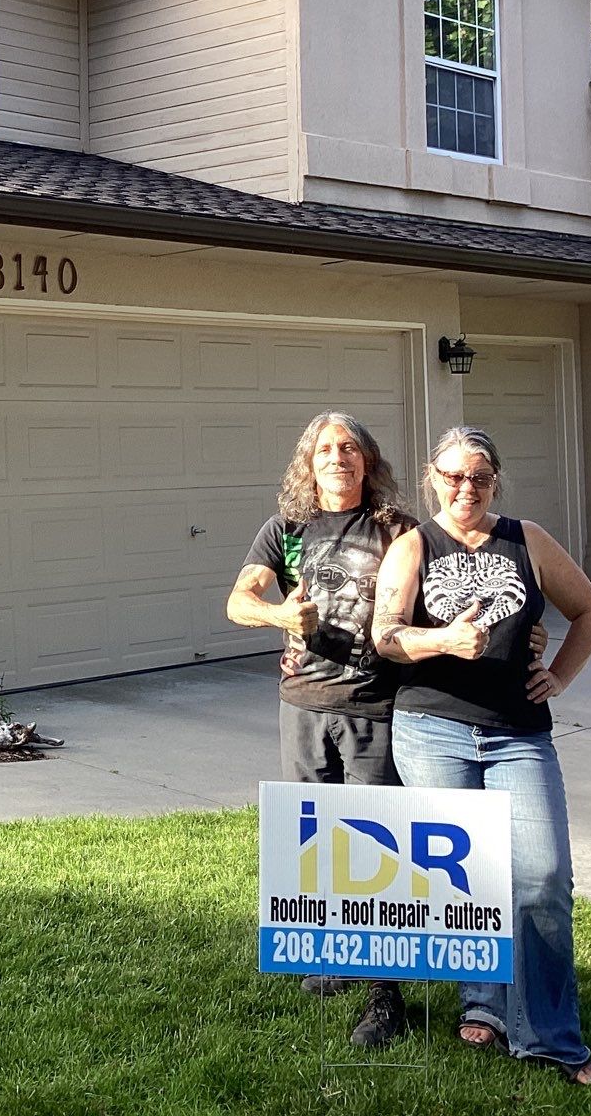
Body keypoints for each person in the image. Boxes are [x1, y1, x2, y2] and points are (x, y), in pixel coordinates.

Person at [373, 425, 591, 1087]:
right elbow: (385, 636)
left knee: (541, 877)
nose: (465, 488)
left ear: (495, 480)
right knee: (468, 880)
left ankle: (551, 1036)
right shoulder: (414, 546)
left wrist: (558, 675)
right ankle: (483, 1000)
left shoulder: (527, 539)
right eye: (452, 476)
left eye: (478, 477)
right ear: (432, 477)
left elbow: (589, 610)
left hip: (518, 732)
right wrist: (445, 639)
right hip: (432, 729)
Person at [228, 411, 412, 1048]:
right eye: (326, 449)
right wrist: (282, 613)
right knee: (316, 838)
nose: (338, 457)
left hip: (375, 707)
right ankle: (332, 953)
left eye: (350, 448)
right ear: (309, 463)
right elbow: (238, 601)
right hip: (303, 703)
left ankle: (386, 998)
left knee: (377, 847)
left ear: (368, 461)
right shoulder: (286, 530)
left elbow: (443, 597)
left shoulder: (398, 529)